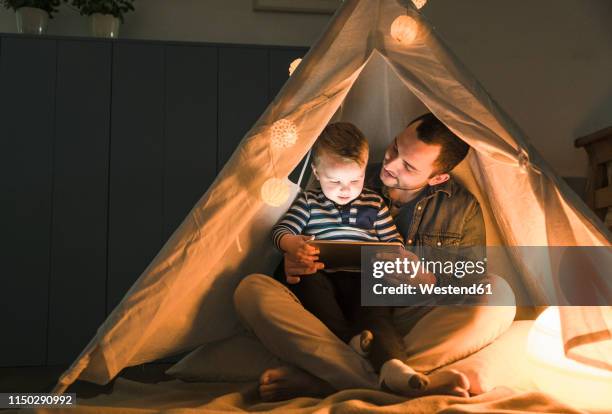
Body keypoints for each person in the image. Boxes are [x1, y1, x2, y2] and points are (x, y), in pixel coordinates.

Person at [233, 113, 516, 401]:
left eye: (407, 165)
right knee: (251, 290)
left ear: (438, 177)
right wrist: (293, 260)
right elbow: (299, 236)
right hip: (333, 309)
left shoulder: (461, 208)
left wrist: (422, 279)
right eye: (395, 148)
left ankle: (332, 379)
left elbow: (464, 284)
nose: (390, 164)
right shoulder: (350, 172)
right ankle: (393, 378)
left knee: (499, 295)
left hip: (404, 317)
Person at [272, 122, 432, 395]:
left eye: (355, 180)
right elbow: (281, 231)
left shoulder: (373, 204)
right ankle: (351, 343)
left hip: (364, 277)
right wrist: (292, 244)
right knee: (309, 287)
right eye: (335, 181)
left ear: (364, 169)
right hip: (322, 275)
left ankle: (392, 364)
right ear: (316, 173)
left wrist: (394, 258)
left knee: (377, 315)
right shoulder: (309, 202)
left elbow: (393, 242)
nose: (345, 190)